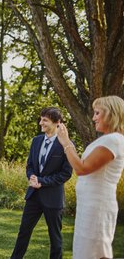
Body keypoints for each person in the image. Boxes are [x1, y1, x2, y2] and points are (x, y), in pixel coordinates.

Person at [57, 95, 124, 259]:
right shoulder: (108, 139)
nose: (93, 118)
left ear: (110, 113)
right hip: (90, 206)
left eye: (97, 113)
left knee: (94, 254)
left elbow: (82, 168)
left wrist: (66, 143)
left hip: (98, 207)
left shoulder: (113, 140)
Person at [11, 107, 73, 259]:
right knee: (23, 231)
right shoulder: (36, 141)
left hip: (53, 198)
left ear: (57, 122)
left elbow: (66, 173)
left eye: (45, 120)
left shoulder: (66, 144)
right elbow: (30, 165)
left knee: (55, 237)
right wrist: (32, 176)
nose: (41, 123)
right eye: (41, 119)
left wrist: (42, 181)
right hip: (33, 196)